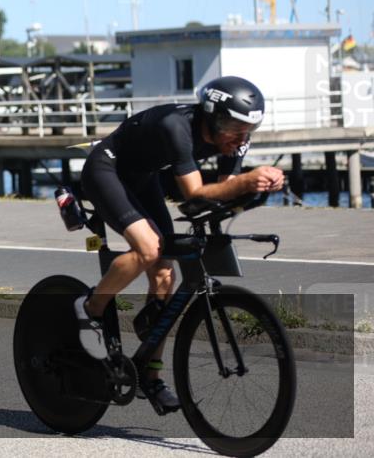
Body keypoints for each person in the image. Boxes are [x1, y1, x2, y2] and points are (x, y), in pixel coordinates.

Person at [75, 76, 284, 414]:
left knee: (164, 274)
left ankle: (150, 373)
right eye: (233, 126)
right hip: (106, 170)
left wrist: (255, 188)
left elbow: (222, 191)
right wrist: (247, 180)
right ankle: (90, 308)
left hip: (143, 180)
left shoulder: (235, 141)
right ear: (213, 117)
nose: (240, 136)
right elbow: (195, 193)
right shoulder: (177, 127)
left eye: (248, 129)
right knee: (150, 249)